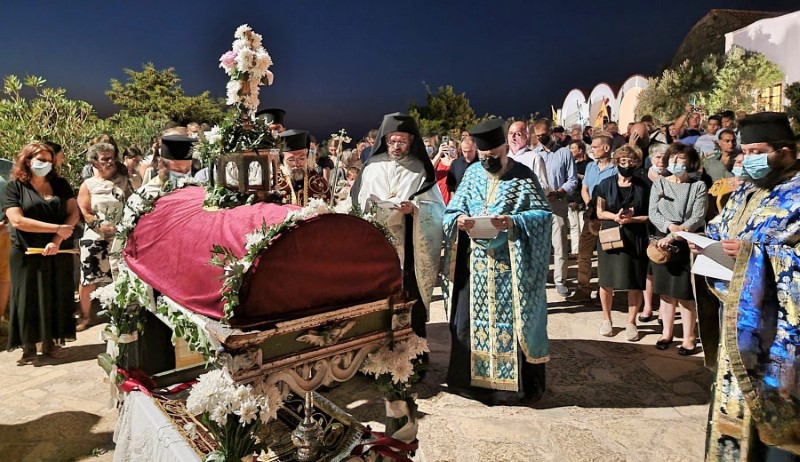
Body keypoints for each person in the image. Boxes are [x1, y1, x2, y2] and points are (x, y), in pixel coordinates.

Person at [700, 112, 800, 461]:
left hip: (779, 332)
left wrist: (751, 254)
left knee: (776, 427)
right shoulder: (747, 189)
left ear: (785, 152)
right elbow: (721, 227)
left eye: (757, 152)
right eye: (745, 151)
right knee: (734, 409)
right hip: (736, 320)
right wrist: (700, 243)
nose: (747, 159)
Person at [442, 118, 552, 405]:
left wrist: (512, 222)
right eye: (483, 156)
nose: (488, 161)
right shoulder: (472, 174)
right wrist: (459, 219)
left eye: (494, 156)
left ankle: (513, 388)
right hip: (475, 266)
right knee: (469, 323)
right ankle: (471, 383)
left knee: (511, 323)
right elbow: (452, 209)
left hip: (510, 268)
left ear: (505, 148)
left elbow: (543, 216)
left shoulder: (523, 176)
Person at [351, 112, 444, 339]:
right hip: (375, 244)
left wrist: (415, 209)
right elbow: (356, 203)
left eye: (401, 141)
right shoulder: (371, 166)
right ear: (385, 139)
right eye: (392, 141)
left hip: (408, 246)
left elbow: (437, 209)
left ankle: (412, 350)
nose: (396, 146)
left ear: (411, 140)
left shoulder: (420, 168)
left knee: (407, 300)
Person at [4, 143, 79, 365]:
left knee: (55, 295)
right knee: (27, 298)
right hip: (26, 251)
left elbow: (73, 213)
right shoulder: (14, 187)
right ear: (27, 161)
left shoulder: (60, 184)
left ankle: (50, 343)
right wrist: (56, 229)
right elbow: (17, 220)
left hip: (58, 250)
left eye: (49, 160)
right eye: (41, 159)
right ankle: (28, 347)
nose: (46, 164)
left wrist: (56, 240)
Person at [648, 143, 707, 354]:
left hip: (685, 242)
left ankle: (689, 337)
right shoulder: (660, 184)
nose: (675, 161)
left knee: (684, 293)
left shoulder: (698, 186)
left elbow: (698, 216)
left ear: (689, 161)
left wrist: (674, 235)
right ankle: (666, 332)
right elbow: (653, 212)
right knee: (665, 292)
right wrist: (669, 228)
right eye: (672, 157)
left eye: (680, 157)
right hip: (662, 243)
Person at [594, 145, 650, 341]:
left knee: (634, 280)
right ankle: (606, 319)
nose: (627, 165)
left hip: (635, 236)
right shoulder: (605, 184)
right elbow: (599, 211)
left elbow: (649, 215)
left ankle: (631, 322)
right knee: (606, 280)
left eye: (631, 162)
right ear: (617, 162)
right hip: (610, 234)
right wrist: (615, 217)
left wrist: (631, 219)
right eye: (623, 161)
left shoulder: (643, 186)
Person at [76, 143, 133, 331]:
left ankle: (120, 314)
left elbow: (133, 202)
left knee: (119, 276)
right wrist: (98, 226)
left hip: (120, 236)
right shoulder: (88, 184)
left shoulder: (124, 181)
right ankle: (85, 316)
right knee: (89, 278)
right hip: (95, 237)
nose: (110, 161)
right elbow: (84, 211)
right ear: (94, 162)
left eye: (112, 157)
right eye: (105, 159)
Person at [566, 133, 618, 302]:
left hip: (608, 217)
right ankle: (583, 288)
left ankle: (605, 291)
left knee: (607, 255)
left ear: (606, 148)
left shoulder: (616, 168)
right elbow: (584, 188)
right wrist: (590, 204)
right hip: (591, 216)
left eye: (595, 147)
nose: (592, 150)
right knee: (584, 253)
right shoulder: (590, 167)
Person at [275, 129, 331, 206]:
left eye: (302, 158)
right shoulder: (274, 181)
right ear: (282, 159)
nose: (297, 164)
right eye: (291, 160)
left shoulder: (317, 182)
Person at [506, 120, 550, 191]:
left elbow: (544, 187)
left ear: (526, 136)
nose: (513, 137)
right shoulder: (504, 158)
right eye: (510, 133)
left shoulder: (535, 158)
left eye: (518, 134)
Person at [566, 140, 591, 257]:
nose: (571, 151)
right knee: (574, 226)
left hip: (583, 200)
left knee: (583, 226)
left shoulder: (589, 164)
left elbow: (590, 181)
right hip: (572, 199)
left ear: (580, 150)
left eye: (573, 148)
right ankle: (575, 250)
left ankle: (584, 250)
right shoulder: (570, 164)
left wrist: (581, 176)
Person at [433, 138, 459, 204]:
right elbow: (429, 170)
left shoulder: (458, 162)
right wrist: (439, 154)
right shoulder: (439, 161)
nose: (449, 149)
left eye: (452, 147)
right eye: (447, 147)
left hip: (452, 196)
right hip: (438, 195)